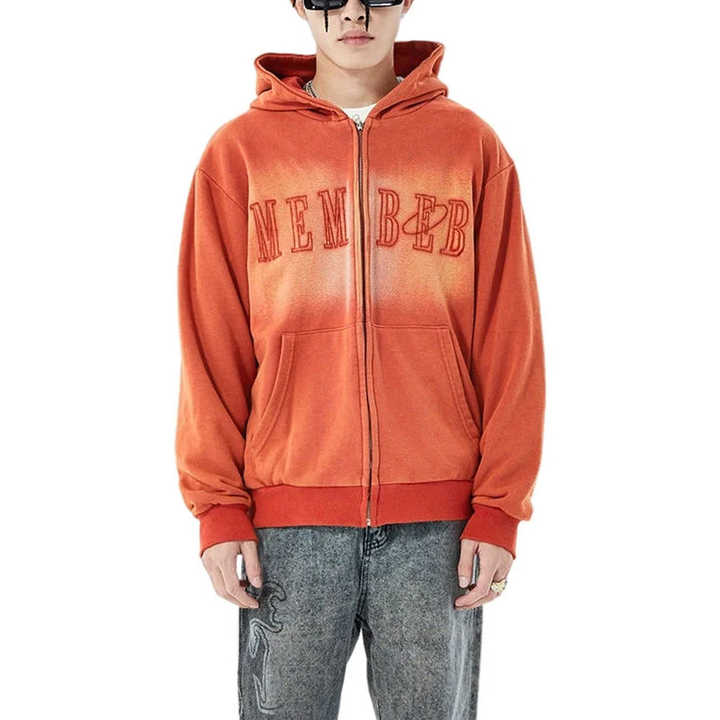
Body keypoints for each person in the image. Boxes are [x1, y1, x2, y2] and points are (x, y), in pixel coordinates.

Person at [174, 1, 546, 717]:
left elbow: (511, 341)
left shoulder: (469, 147)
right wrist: (218, 507)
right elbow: (210, 344)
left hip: (439, 530)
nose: (352, 11)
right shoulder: (239, 154)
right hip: (287, 526)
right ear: (298, 4)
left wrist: (499, 508)